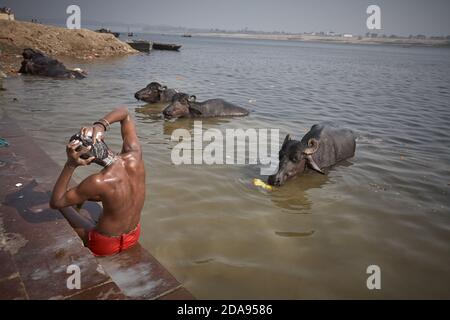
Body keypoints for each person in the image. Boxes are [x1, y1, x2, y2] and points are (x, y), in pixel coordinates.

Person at [50, 107, 145, 256]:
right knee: (92, 195)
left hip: (105, 245)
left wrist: (70, 164)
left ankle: (84, 228)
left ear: (88, 159)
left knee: (64, 205)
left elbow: (55, 202)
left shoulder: (99, 181)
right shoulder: (135, 155)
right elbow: (125, 113)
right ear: (102, 140)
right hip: (133, 235)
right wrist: (101, 125)